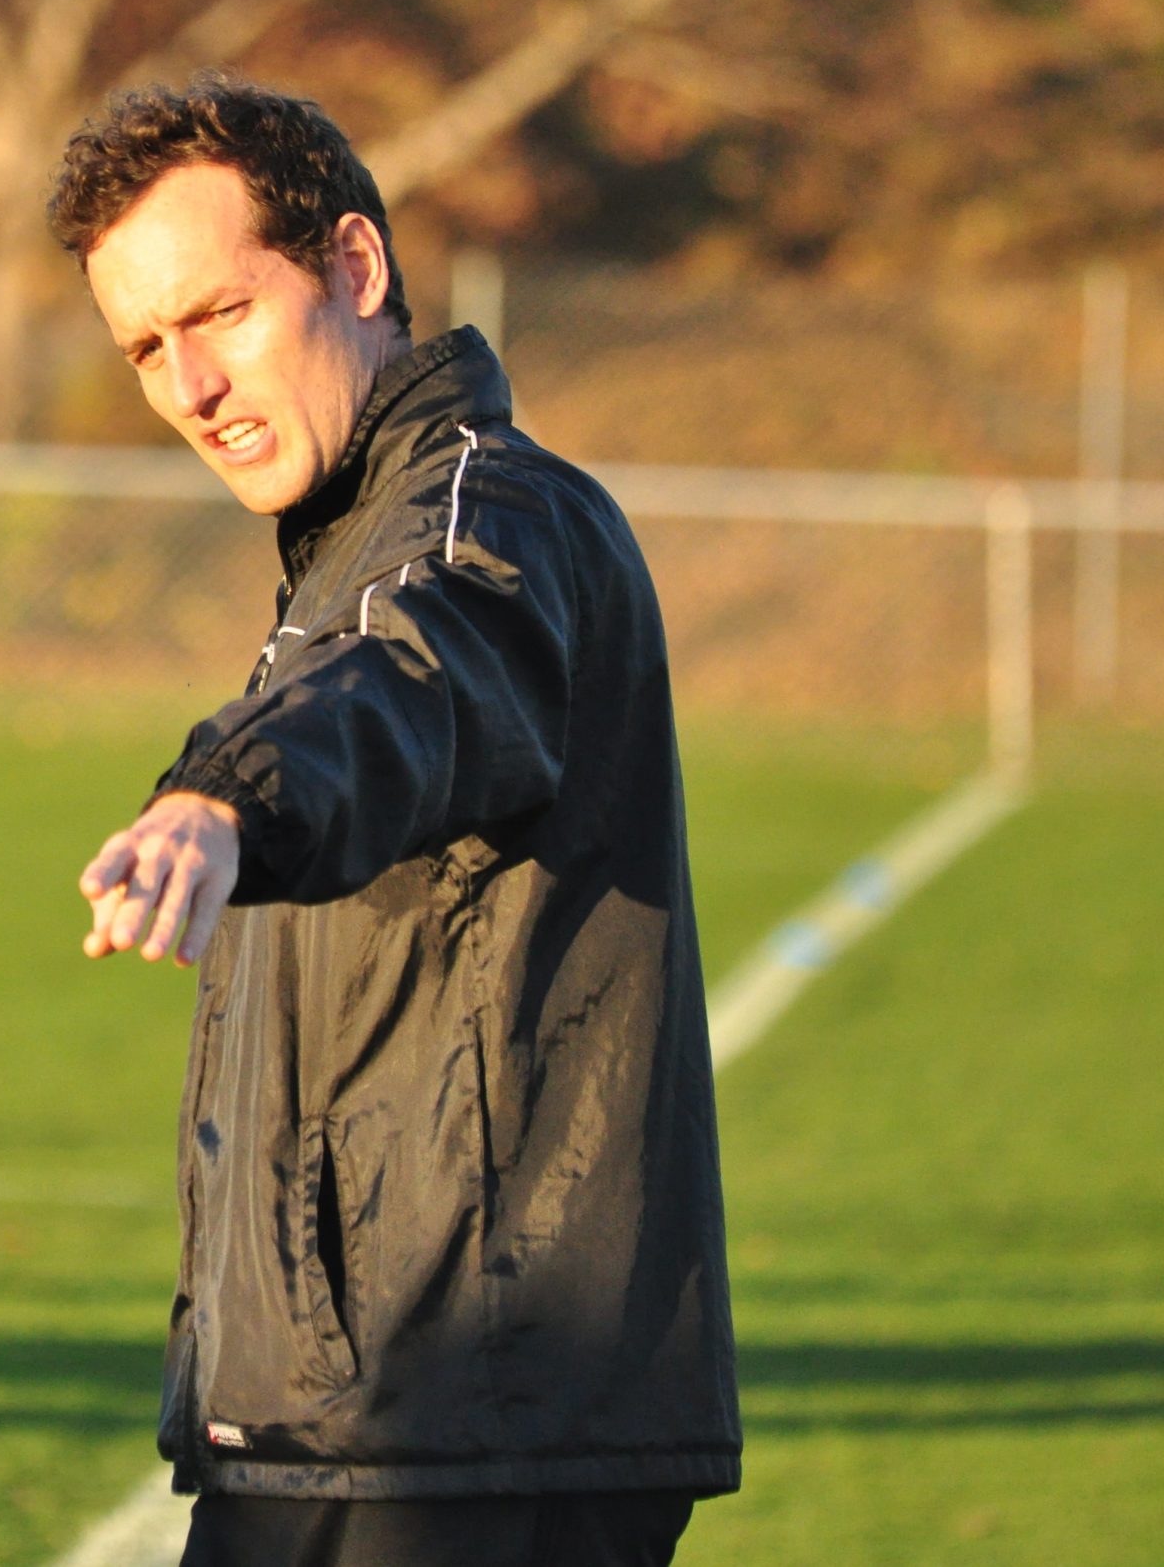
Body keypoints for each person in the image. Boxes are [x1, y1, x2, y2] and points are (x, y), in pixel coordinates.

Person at [47, 75, 739, 1567]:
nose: (191, 385)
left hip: (469, 1421)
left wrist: (227, 796)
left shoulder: (492, 521)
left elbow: (417, 674)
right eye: (147, 347)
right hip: (362, 1415)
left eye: (222, 313)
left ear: (355, 268)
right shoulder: (351, 545)